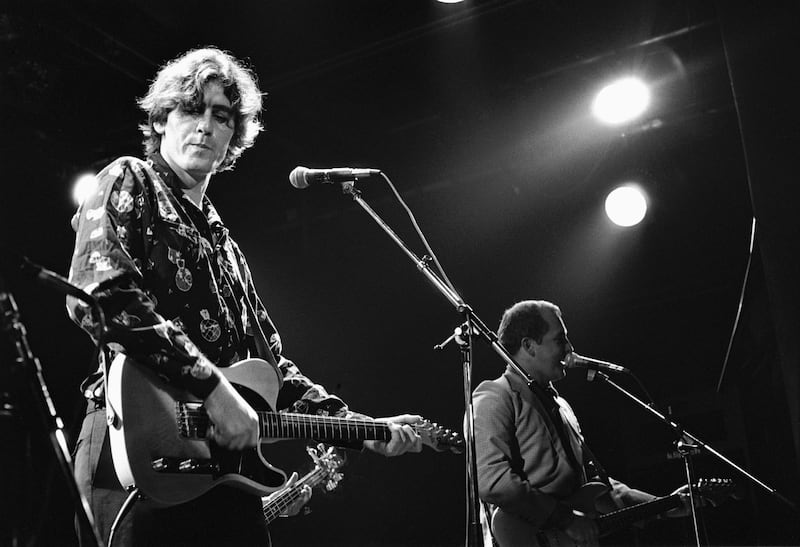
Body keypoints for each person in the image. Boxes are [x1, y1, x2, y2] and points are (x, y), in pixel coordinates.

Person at [67, 47, 422, 547]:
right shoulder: (131, 179)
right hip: (135, 453)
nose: (205, 126)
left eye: (222, 116)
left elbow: (272, 371)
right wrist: (214, 389)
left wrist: (358, 427)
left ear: (234, 137)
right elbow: (101, 295)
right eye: (191, 109)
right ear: (162, 119)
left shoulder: (226, 247)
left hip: (223, 477)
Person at [472, 300, 690, 546]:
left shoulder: (561, 406)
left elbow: (598, 488)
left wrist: (666, 506)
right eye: (560, 339)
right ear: (529, 346)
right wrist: (564, 519)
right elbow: (493, 482)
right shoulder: (495, 395)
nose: (570, 348)